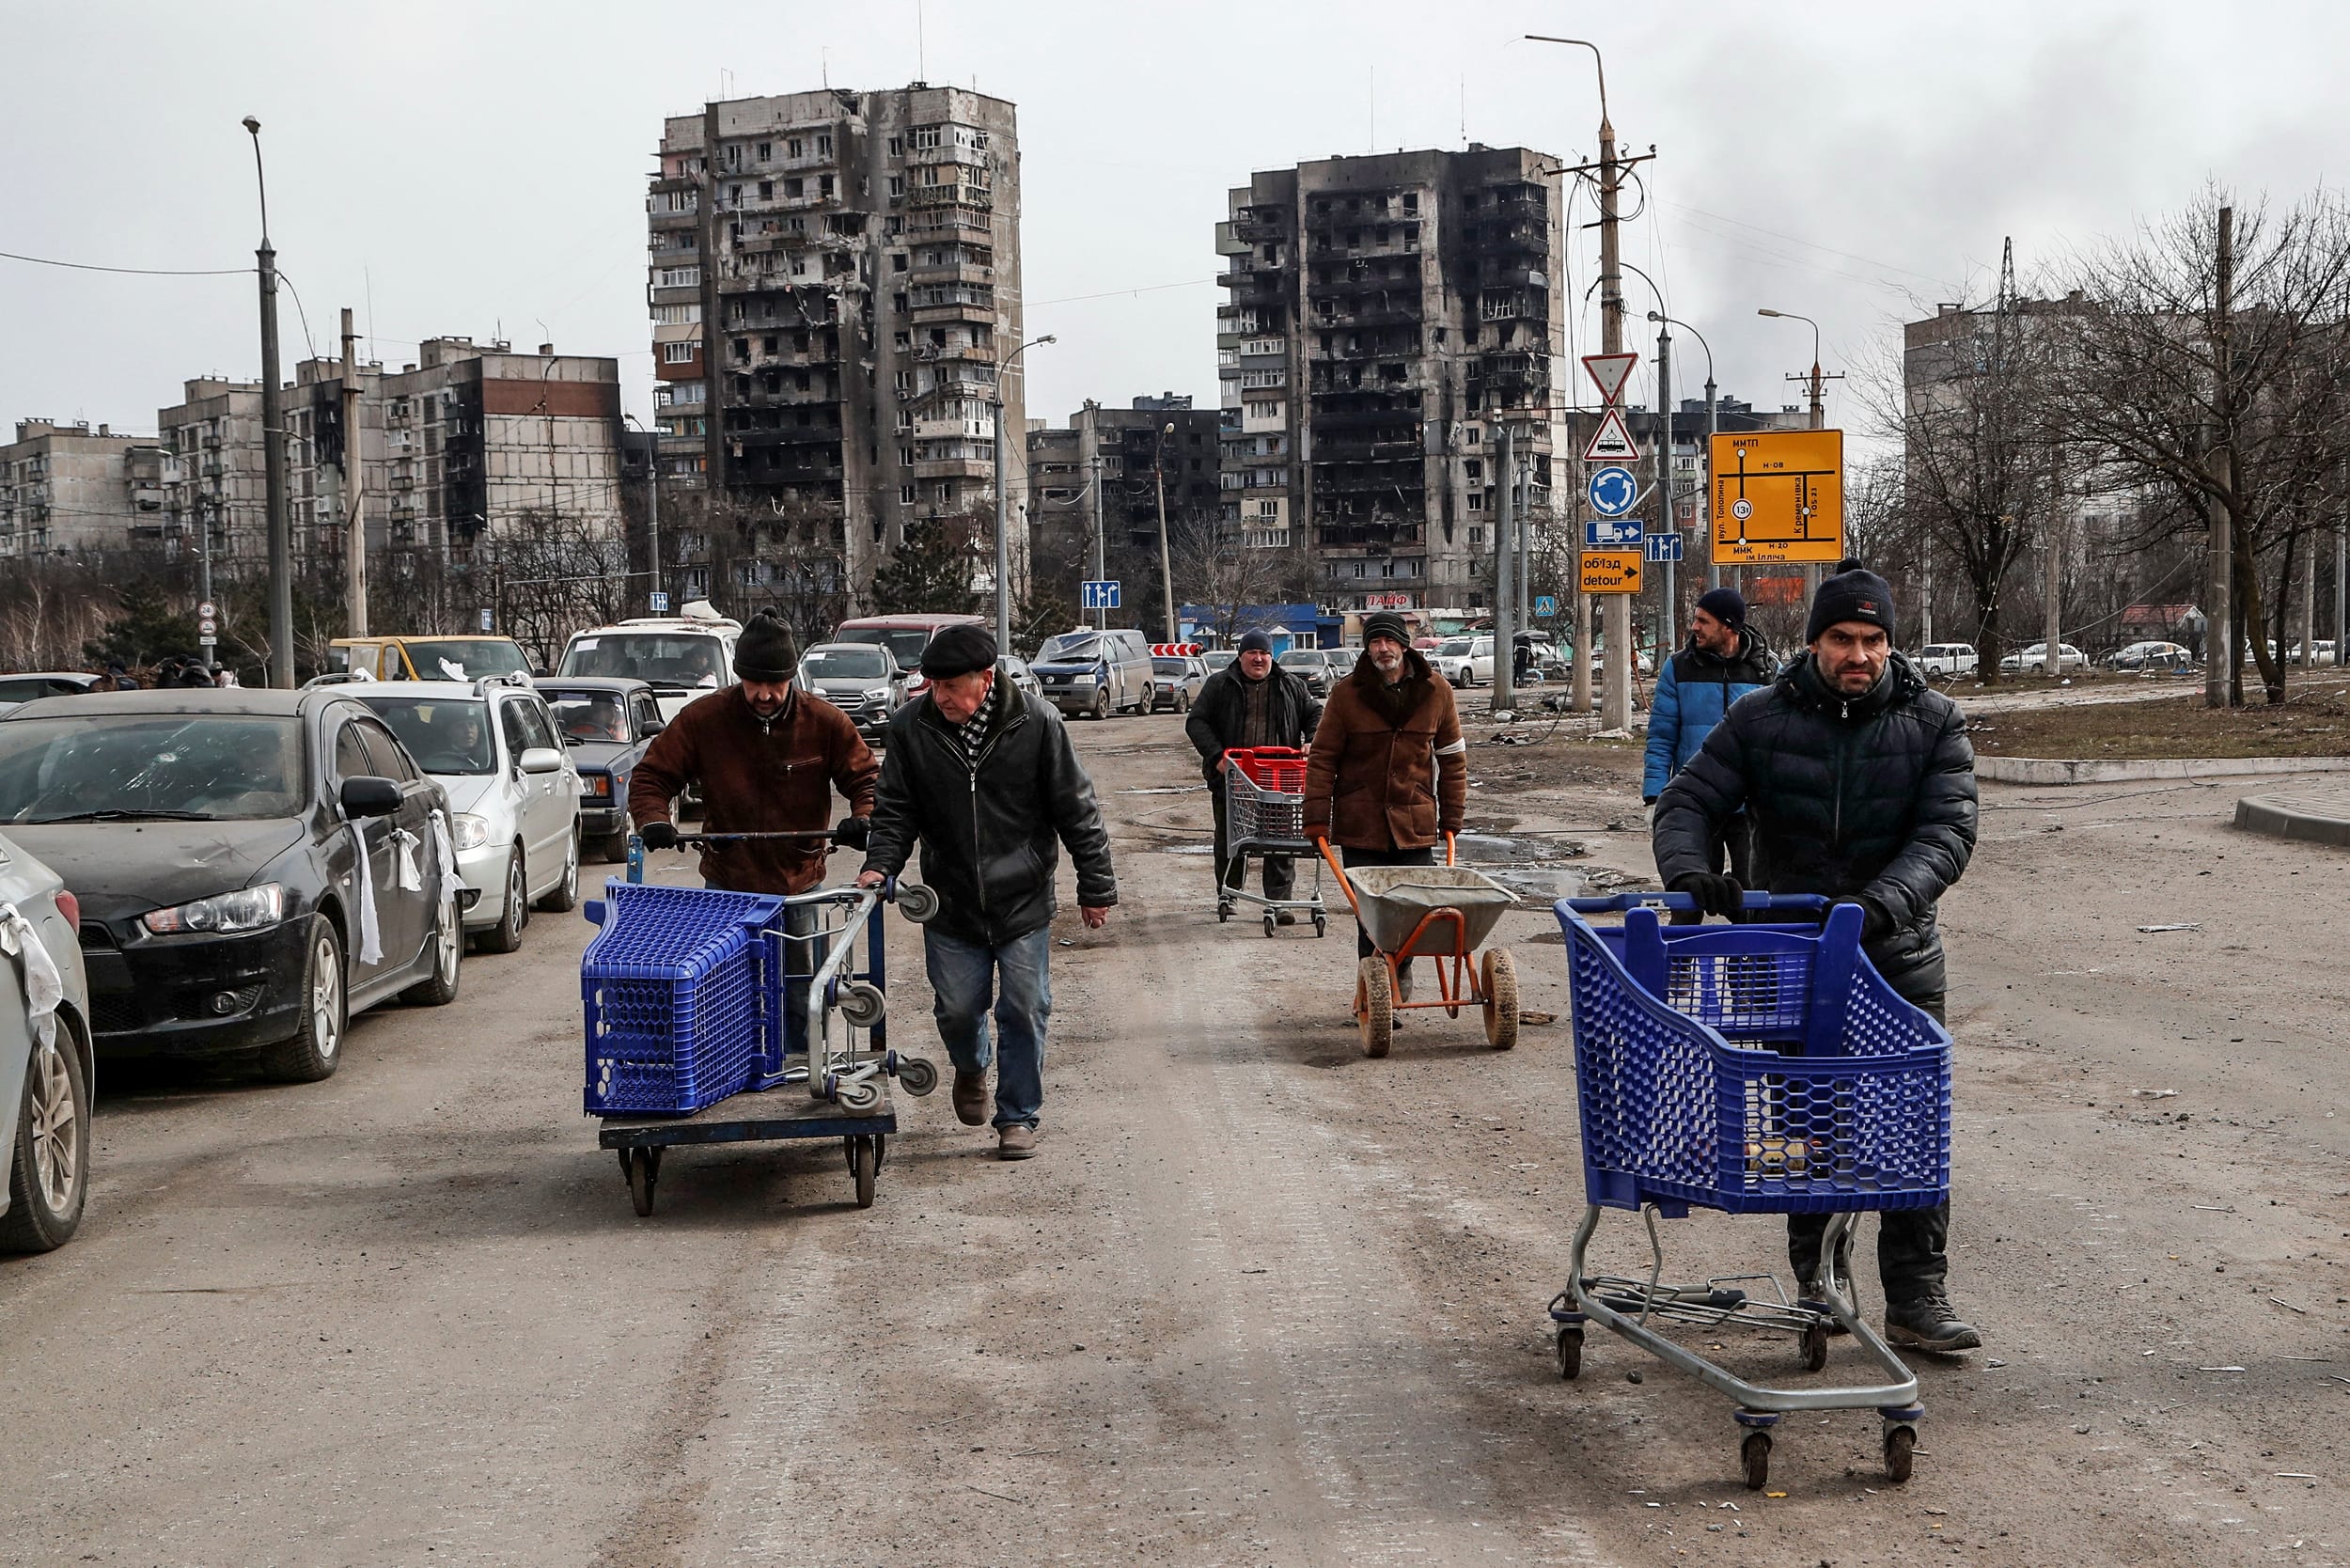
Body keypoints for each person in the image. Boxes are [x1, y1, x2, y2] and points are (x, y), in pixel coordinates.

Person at [1653, 559, 1981, 1353]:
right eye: (1842, 638)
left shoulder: (1935, 722)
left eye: (1873, 639)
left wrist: (1880, 905)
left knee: (1911, 1124)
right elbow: (1688, 798)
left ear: (1891, 646)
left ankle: (1916, 1296)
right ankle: (1818, 1284)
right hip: (1791, 957)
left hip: (1894, 954)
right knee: (1809, 1124)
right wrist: (1692, 874)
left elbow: (1947, 834)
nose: (1858, 655)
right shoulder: (1763, 718)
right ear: (1814, 642)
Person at [856, 624, 1115, 1161]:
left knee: (1025, 1008)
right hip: (949, 901)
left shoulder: (1037, 723)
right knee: (956, 1008)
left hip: (1022, 897)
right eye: (933, 685)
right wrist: (880, 867)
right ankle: (971, 1067)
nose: (940, 696)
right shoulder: (911, 729)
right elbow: (895, 810)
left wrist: (1095, 884)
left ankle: (1017, 1116)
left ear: (986, 678)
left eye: (951, 686)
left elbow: (1077, 807)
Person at [631, 611, 879, 1049]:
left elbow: (867, 780)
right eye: (753, 683)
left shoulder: (823, 722)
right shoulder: (703, 720)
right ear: (738, 676)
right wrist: (654, 820)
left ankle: (801, 1063)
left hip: (799, 879)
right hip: (728, 879)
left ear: (791, 678)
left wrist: (864, 817)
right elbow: (652, 776)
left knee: (802, 981)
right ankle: (730, 1061)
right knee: (724, 983)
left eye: (775, 684)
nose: (764, 694)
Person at [1303, 611, 1467, 993]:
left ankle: (1400, 970)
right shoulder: (1346, 695)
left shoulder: (1436, 691)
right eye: (1375, 642)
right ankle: (1378, 985)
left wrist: (1452, 816)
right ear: (1368, 648)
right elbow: (1322, 759)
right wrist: (1316, 818)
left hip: (1415, 821)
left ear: (1404, 645)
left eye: (1390, 641)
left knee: (1413, 909)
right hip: (1362, 825)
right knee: (1371, 917)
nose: (1383, 649)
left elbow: (1453, 759)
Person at [1642, 587, 1778, 883]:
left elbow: (1785, 741)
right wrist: (1654, 797)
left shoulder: (1767, 670)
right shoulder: (1677, 668)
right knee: (1689, 900)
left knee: (1754, 902)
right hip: (1697, 804)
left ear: (1728, 626)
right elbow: (1660, 739)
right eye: (1695, 619)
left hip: (1751, 809)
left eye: (1703, 621)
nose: (1695, 628)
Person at [1185, 629, 1323, 919]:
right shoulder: (1220, 684)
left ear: (1271, 656)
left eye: (1264, 653)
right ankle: (1228, 892)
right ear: (1241, 656)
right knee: (1230, 839)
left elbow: (1315, 714)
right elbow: (1197, 722)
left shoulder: (1291, 685)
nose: (1258, 659)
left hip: (1280, 779)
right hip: (1234, 779)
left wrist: (1312, 739)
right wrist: (1216, 755)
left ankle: (1280, 900)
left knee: (1281, 841)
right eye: (1252, 653)